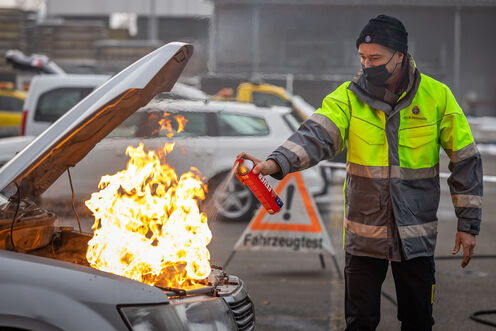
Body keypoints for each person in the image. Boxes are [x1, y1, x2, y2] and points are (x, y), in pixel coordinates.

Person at [238, 14, 483, 331]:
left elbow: (465, 159)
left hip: (415, 239)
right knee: (360, 323)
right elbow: (316, 135)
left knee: (419, 321)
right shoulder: (348, 98)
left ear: (400, 55)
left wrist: (468, 225)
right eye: (363, 58)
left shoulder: (438, 97)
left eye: (376, 58)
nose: (368, 65)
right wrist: (274, 163)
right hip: (364, 240)